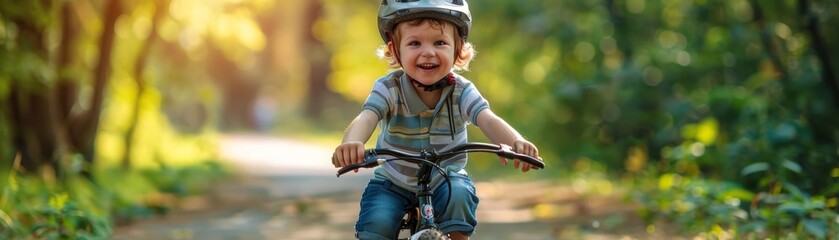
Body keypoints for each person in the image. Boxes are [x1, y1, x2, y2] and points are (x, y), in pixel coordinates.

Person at [332, 0, 542, 239]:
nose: (428, 52)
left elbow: (487, 119)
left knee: (460, 196)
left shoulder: (461, 91)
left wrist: (516, 143)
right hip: (393, 181)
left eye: (440, 42)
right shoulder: (389, 88)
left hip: (446, 178)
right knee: (376, 222)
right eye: (414, 43)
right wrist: (352, 142)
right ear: (395, 50)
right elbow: (367, 117)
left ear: (458, 49)